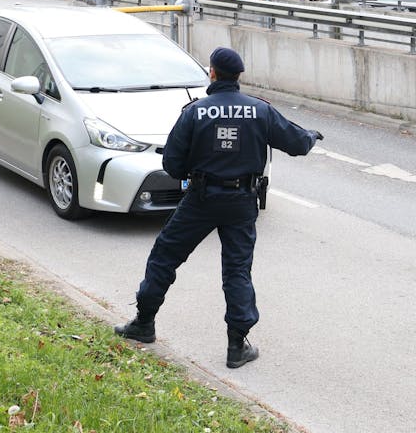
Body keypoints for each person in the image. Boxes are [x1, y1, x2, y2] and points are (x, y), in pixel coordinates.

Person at [114, 47, 322, 368]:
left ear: (212, 73)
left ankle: (144, 322)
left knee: (165, 257)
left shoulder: (195, 112)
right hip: (242, 202)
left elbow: (171, 163)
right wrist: (311, 136)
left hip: (201, 199)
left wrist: (192, 173)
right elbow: (296, 142)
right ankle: (236, 347)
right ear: (238, 76)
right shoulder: (260, 111)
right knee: (237, 270)